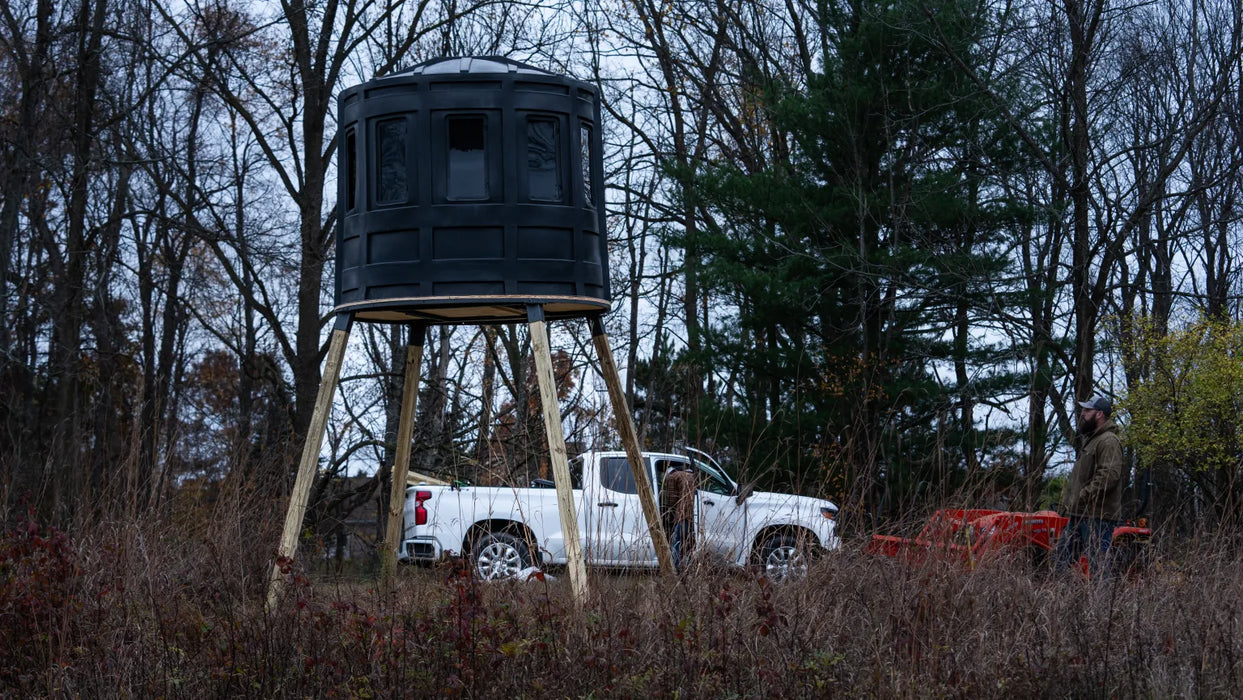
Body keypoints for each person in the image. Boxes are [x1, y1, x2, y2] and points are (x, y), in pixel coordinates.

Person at [1055, 395, 1126, 576]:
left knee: (1099, 569)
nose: (1082, 414)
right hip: (1080, 514)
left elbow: (1109, 476)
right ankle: (1065, 602)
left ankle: (1101, 604)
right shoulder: (1093, 440)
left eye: (1087, 410)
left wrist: (1083, 495)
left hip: (1098, 516)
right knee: (1060, 561)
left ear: (1099, 414)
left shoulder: (1108, 441)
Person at [662, 463, 697, 572]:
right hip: (694, 515)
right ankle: (689, 567)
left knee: (677, 542)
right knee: (690, 543)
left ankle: (673, 569)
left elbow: (671, 499)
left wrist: (667, 510)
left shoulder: (672, 477)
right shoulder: (691, 475)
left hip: (683, 515)